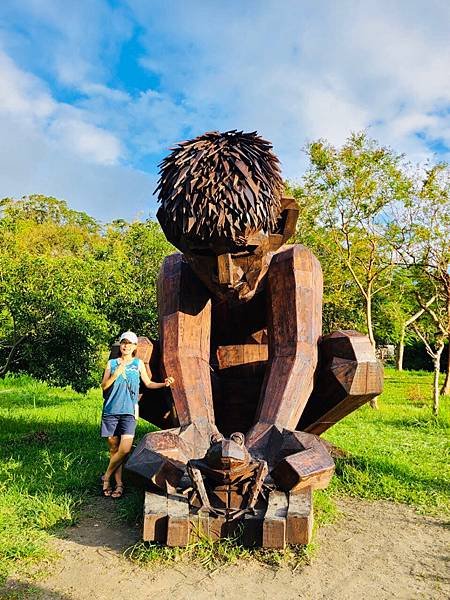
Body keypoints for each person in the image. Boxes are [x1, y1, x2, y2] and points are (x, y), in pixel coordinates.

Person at [100, 331, 174, 498]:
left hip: (129, 412)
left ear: (135, 347)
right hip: (111, 411)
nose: (126, 345)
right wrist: (116, 374)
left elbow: (148, 383)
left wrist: (164, 383)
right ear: (121, 345)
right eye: (123, 342)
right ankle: (119, 485)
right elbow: (104, 386)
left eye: (130, 343)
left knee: (124, 449)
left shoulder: (138, 364)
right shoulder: (111, 363)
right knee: (114, 450)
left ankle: (106, 477)